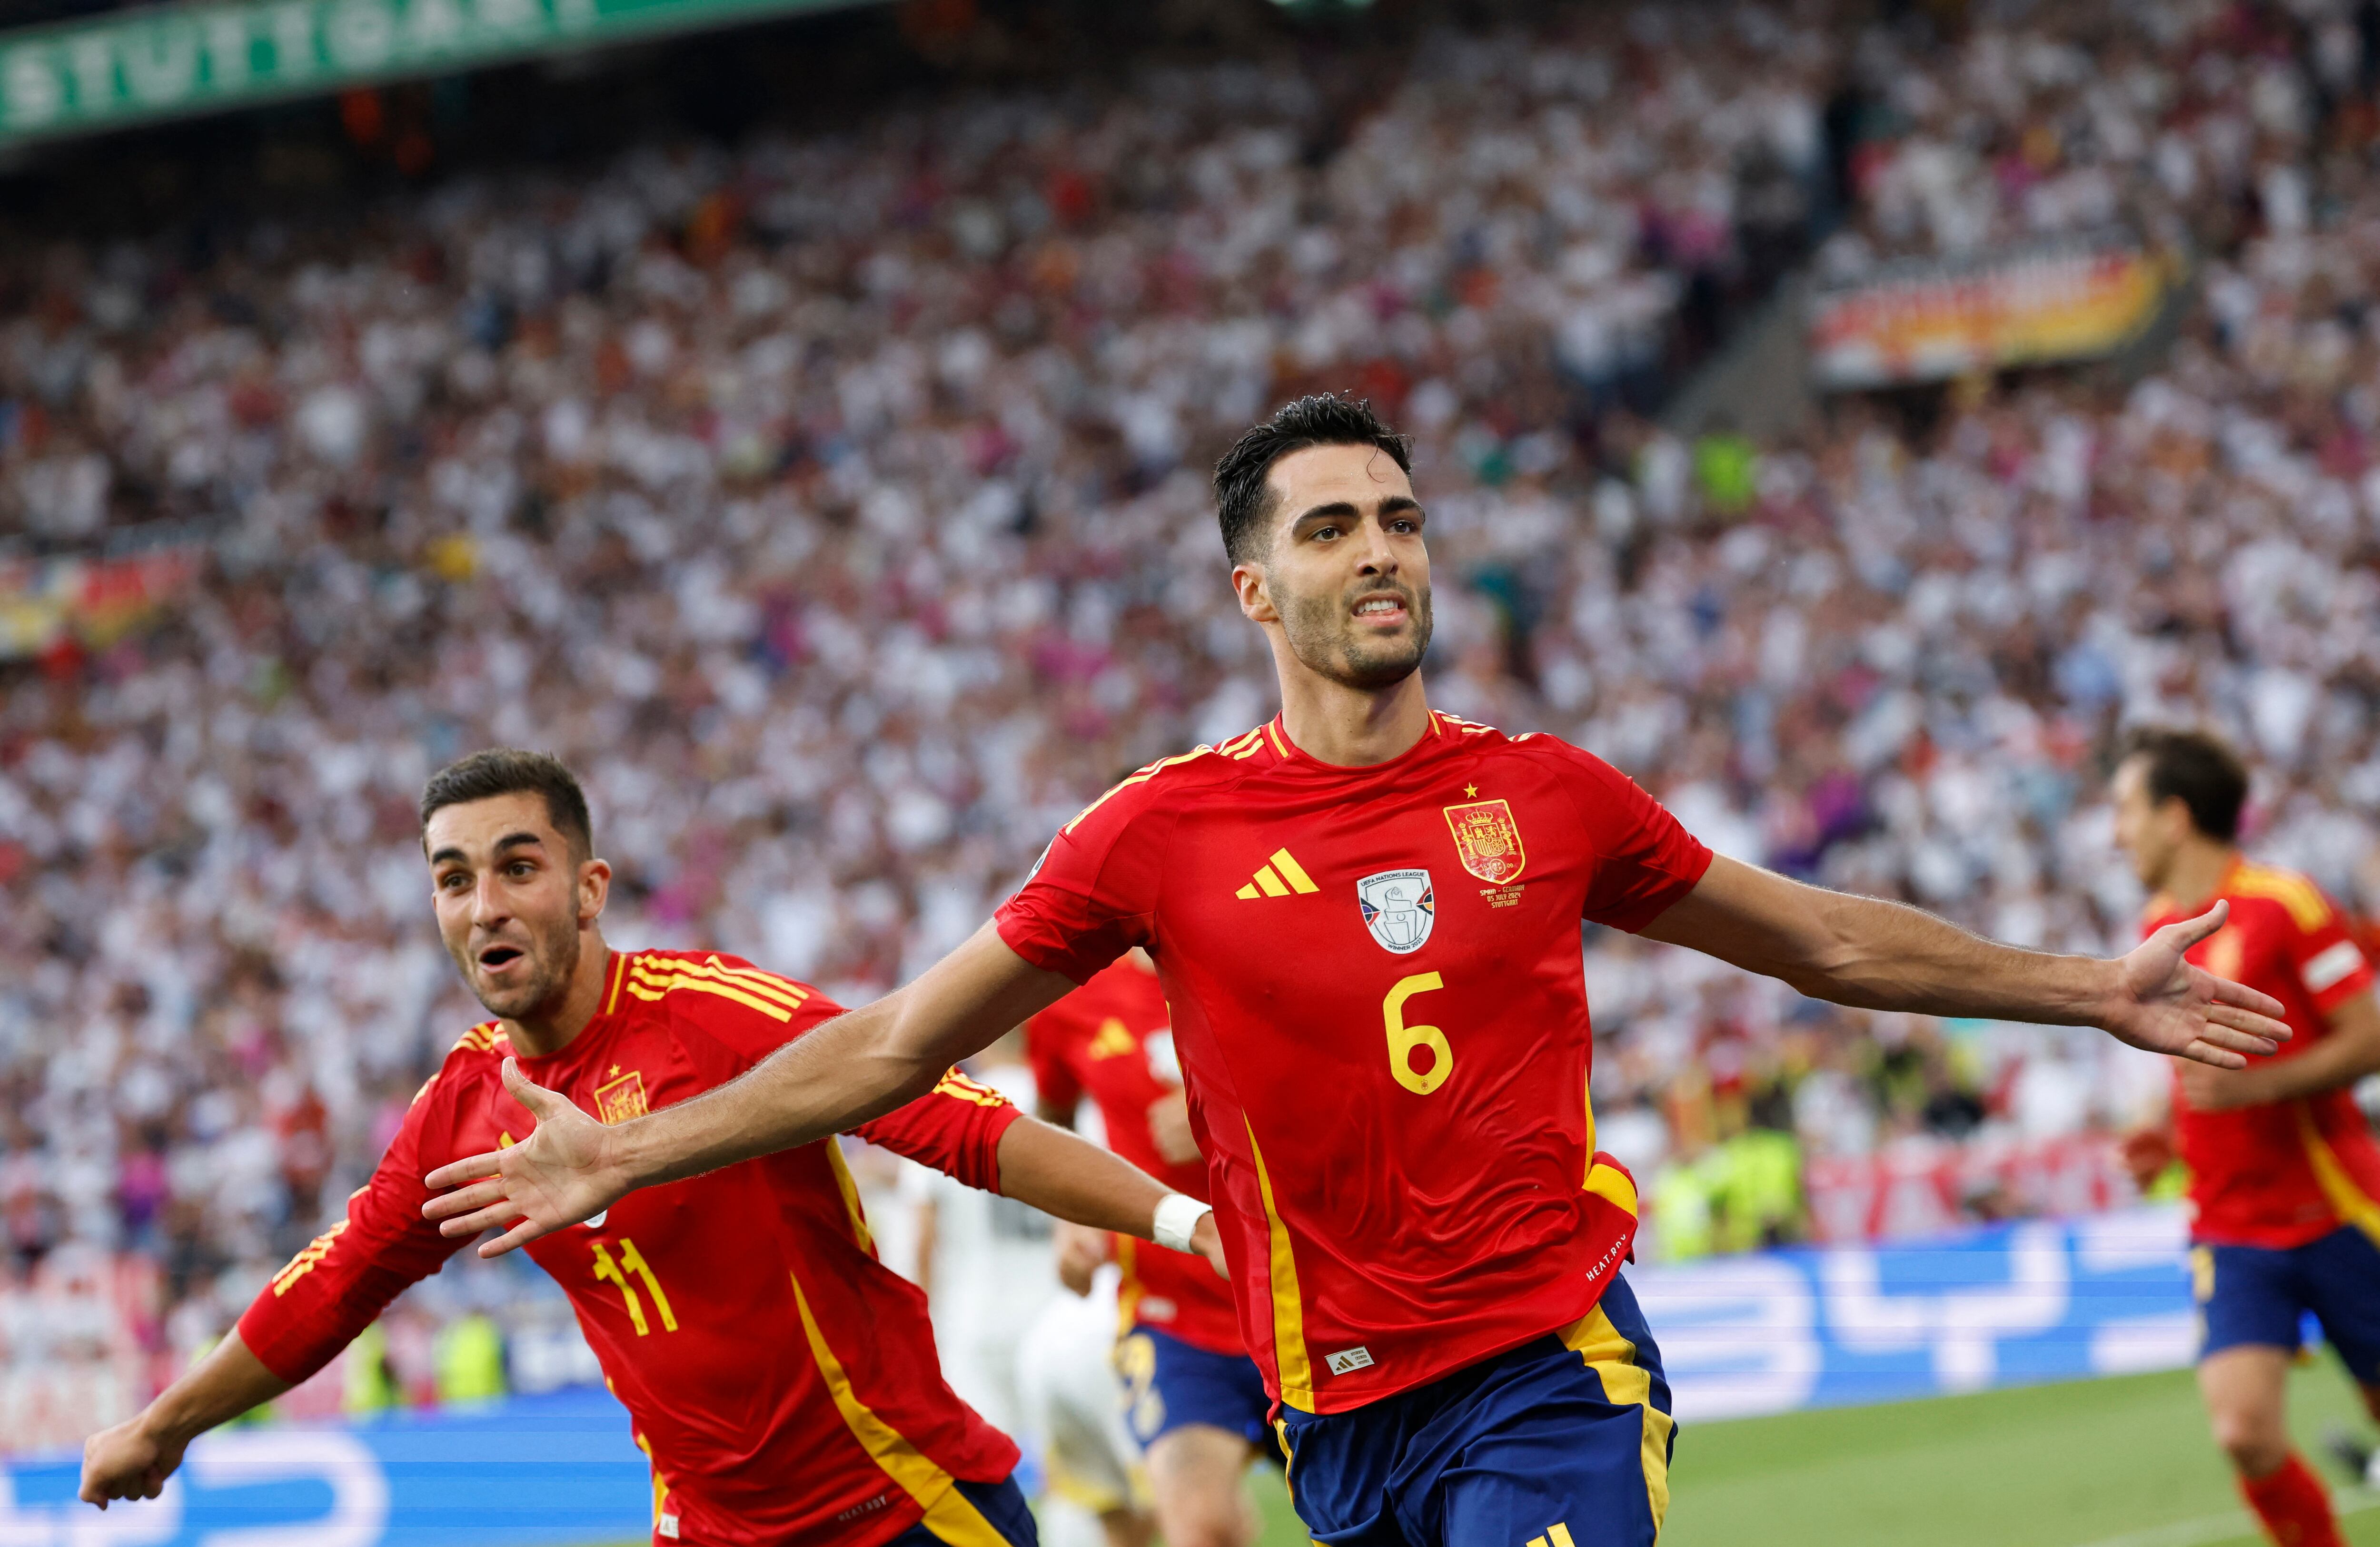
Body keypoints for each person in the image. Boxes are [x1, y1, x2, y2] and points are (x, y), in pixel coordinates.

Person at [427, 397, 2291, 1547]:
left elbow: (1809, 931)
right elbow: (902, 1044)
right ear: (1255, 589)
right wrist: (623, 1152)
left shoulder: (1540, 794)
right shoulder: (1152, 833)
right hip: (1335, 1417)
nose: (1379, 549)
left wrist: (2085, 984)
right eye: (1329, 525)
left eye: (1397, 516)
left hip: (1539, 1362)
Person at [79, 749, 1224, 1547]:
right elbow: (333, 1284)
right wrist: (162, 1423)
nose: (485, 906)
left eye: (517, 867)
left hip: (901, 1500)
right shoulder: (463, 1107)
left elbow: (951, 1118)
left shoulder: (712, 1013)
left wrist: (1187, 1222)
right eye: (452, 878)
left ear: (588, 889)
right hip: (706, 1526)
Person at [2110, 728, 2380, 1547]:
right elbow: (2197, 1069)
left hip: (2337, 1207)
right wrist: (2164, 1132)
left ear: (2175, 817)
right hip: (2229, 1224)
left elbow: (2369, 1037)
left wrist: (2252, 1088)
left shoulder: (2286, 904)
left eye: (2125, 810)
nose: (2116, 832)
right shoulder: (2157, 924)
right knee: (2244, 1432)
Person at [1029, 951, 1267, 1547]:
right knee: (1201, 1527)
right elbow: (1052, 1113)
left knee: (1365, 1519)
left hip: (1302, 1302)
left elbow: (1344, 1074)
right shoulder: (1071, 996)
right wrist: (1070, 1216)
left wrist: (1226, 1122)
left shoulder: (1248, 951)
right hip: (1174, 1315)